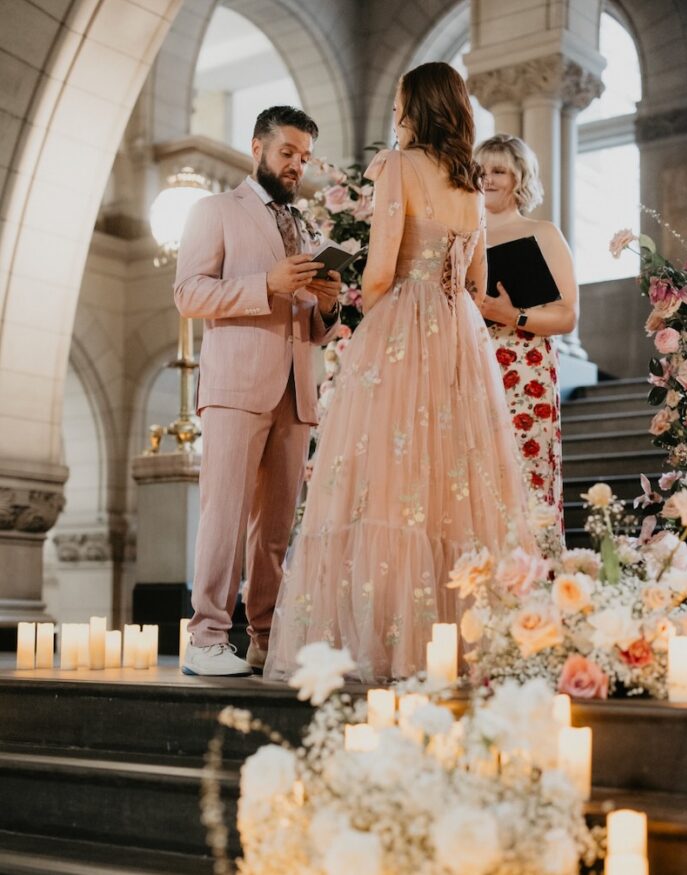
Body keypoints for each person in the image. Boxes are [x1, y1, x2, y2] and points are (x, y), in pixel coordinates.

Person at [264, 63, 534, 683]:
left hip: (404, 327)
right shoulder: (469, 184)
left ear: (416, 106)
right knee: (452, 489)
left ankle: (383, 640)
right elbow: (475, 278)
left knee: (385, 483)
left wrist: (354, 284)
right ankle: (462, 647)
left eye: (398, 102)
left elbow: (381, 272)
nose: (394, 113)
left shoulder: (398, 167)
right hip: (459, 331)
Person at [174, 106, 341, 676]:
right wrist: (264, 284)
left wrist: (327, 304)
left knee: (274, 528)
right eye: (287, 152)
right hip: (236, 386)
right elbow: (190, 294)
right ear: (258, 148)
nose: (296, 165)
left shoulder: (311, 228)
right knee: (224, 515)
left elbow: (319, 328)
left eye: (304, 157)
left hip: (297, 392)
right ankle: (206, 638)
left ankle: (266, 637)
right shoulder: (216, 210)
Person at [474, 134, 578, 556]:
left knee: (526, 476)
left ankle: (537, 590)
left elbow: (567, 315)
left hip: (524, 368)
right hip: (472, 365)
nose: (488, 179)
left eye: (498, 170)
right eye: (481, 170)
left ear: (520, 178)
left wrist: (511, 315)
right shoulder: (464, 237)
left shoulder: (542, 233)